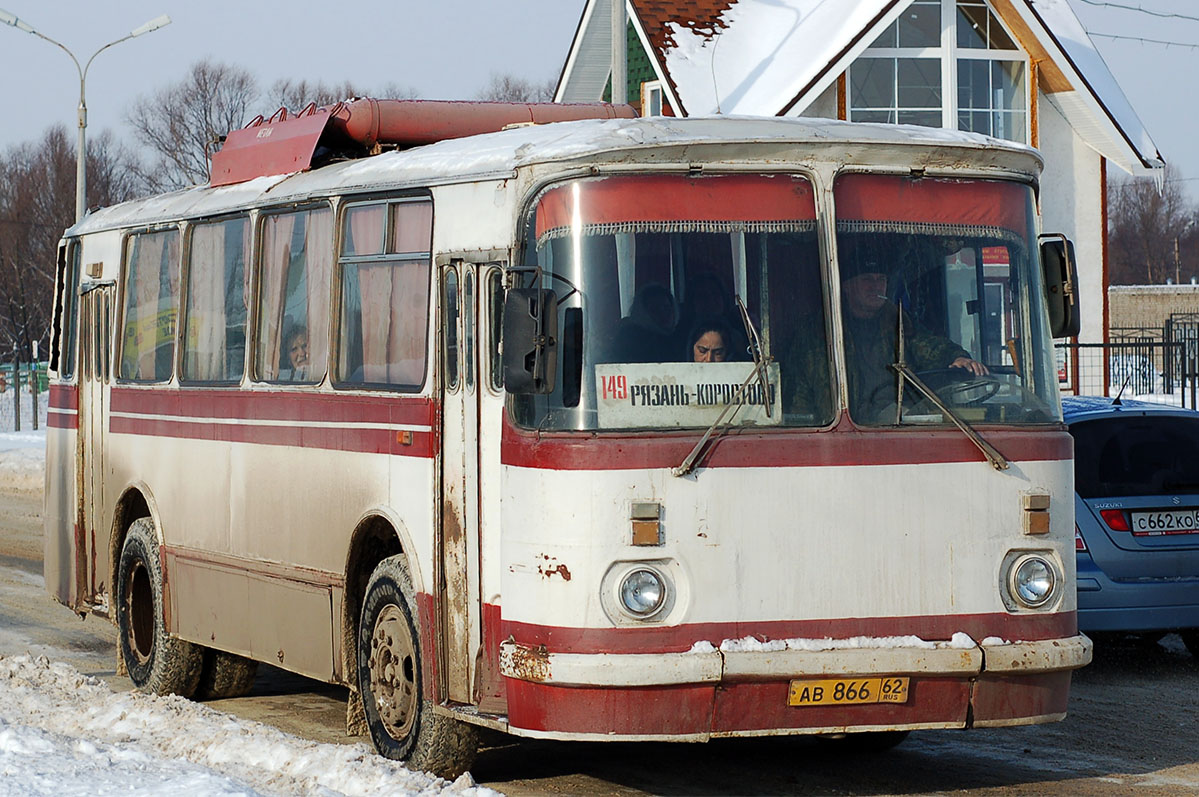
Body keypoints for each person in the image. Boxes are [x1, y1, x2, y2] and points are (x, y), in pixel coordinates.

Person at [839, 260, 987, 421]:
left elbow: (929, 346)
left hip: (893, 419)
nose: (876, 286)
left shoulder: (898, 323)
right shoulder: (826, 329)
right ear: (847, 286)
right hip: (842, 426)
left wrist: (957, 357)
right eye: (867, 279)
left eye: (881, 279)